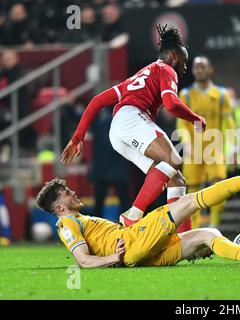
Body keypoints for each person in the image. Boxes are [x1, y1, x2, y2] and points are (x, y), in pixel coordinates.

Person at [36, 147, 240, 268]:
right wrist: (115, 257)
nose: (73, 192)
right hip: (133, 242)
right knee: (189, 201)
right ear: (58, 208)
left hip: (141, 250)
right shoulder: (66, 223)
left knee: (208, 235)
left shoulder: (79, 219)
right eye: (66, 193)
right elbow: (82, 261)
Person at [61, 25, 206, 229]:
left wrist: (77, 138)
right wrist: (195, 118)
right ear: (174, 55)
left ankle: (182, 239)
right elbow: (172, 104)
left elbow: (95, 101)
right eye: (184, 61)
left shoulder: (136, 78)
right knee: (173, 159)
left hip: (118, 131)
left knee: (177, 181)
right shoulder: (166, 69)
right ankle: (134, 214)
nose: (184, 67)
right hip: (133, 119)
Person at [177, 56, 234, 229]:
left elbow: (228, 124)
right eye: (197, 67)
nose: (200, 70)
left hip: (214, 147)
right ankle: (195, 230)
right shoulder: (186, 95)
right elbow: (181, 123)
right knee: (192, 191)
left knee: (220, 188)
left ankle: (214, 226)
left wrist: (230, 149)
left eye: (203, 67)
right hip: (194, 149)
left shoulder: (222, 95)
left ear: (210, 70)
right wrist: (186, 143)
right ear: (193, 71)